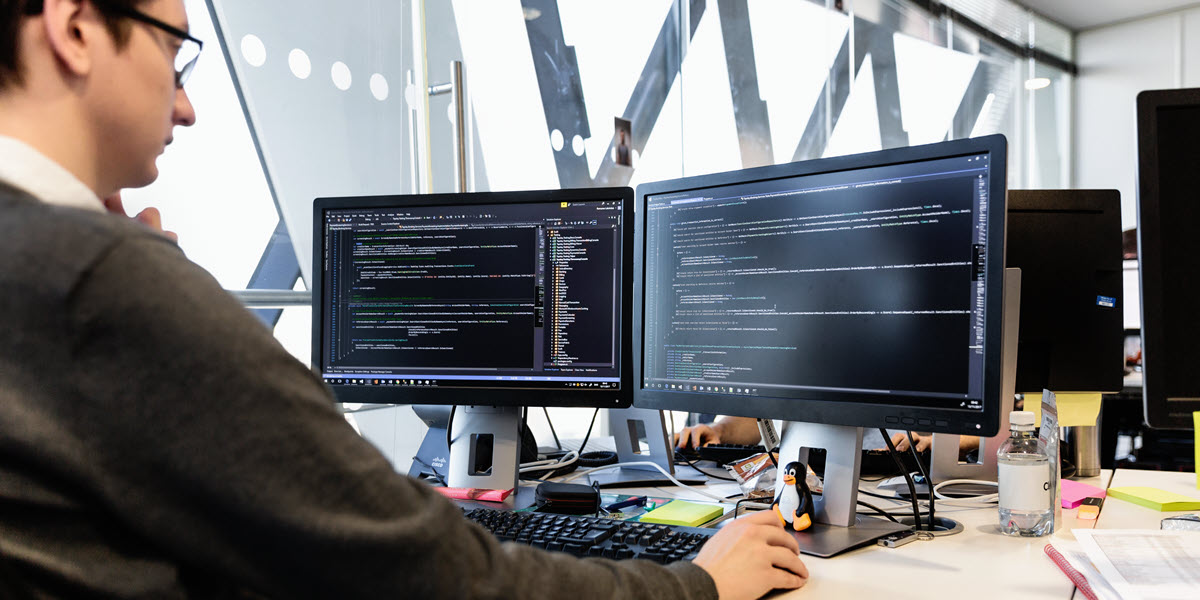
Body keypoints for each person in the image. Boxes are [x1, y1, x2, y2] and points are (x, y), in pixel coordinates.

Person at [0, 1, 808, 598]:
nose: (186, 103)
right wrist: (701, 584)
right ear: (74, 27)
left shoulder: (58, 268)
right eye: (175, 52)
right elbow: (436, 579)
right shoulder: (101, 283)